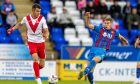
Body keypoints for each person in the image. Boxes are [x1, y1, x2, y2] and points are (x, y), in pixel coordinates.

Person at [78, 12, 129, 84]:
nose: (106, 24)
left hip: (102, 50)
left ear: (111, 24)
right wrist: (87, 18)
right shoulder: (100, 28)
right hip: (93, 49)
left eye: (108, 23)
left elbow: (120, 37)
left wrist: (125, 41)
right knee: (90, 73)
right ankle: (92, 81)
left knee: (94, 60)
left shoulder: (114, 32)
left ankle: (84, 71)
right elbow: (88, 25)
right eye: (105, 23)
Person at [7, 4, 49, 84]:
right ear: (33, 10)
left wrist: (46, 35)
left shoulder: (42, 19)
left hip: (40, 42)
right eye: (37, 11)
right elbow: (19, 24)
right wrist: (12, 29)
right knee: (35, 59)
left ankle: (36, 72)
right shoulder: (26, 18)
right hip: (31, 42)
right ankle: (38, 79)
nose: (38, 13)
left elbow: (46, 30)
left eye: (39, 11)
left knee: (42, 65)